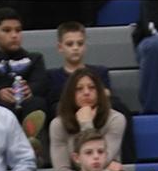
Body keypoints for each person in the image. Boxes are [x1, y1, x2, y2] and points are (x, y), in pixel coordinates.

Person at [46, 21, 135, 163]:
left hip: (100, 116)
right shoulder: (52, 76)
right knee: (56, 109)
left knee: (119, 108)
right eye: (70, 44)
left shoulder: (99, 71)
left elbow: (106, 95)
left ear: (85, 45)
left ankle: (124, 160)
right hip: (69, 121)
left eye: (80, 44)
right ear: (60, 47)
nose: (75, 48)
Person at [0, 6, 48, 155]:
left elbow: (42, 82)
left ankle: (33, 146)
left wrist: (30, 89)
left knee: (37, 103)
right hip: (2, 107)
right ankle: (2, 151)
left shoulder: (35, 58)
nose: (14, 35)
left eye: (18, 30)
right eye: (7, 30)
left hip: (27, 105)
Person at [49, 67, 126, 171]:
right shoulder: (58, 125)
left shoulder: (116, 119)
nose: (86, 92)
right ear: (70, 94)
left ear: (99, 91)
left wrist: (86, 124)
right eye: (79, 89)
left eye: (92, 88)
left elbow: (99, 160)